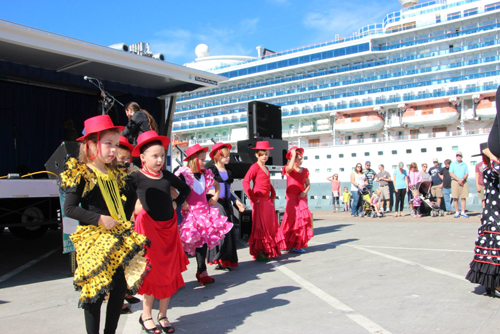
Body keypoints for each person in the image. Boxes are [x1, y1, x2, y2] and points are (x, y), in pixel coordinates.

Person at [60, 115, 148, 334]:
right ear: (90, 144)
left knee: (119, 290)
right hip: (93, 241)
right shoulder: (81, 172)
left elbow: (124, 208)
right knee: (95, 294)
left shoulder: (116, 174)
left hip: (117, 238)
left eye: (116, 145)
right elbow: (69, 209)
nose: (113, 150)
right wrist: (100, 219)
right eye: (108, 144)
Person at [130, 130, 192, 334]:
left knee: (168, 273)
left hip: (169, 231)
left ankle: (163, 315)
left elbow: (185, 189)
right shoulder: (135, 177)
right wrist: (134, 209)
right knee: (151, 274)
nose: (159, 160)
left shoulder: (166, 175)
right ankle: (145, 315)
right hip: (148, 232)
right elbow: (122, 201)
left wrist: (176, 202)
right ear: (142, 158)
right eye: (154, 156)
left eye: (161, 156)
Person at [175, 144, 232, 284]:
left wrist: (215, 198)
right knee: (188, 243)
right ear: (193, 160)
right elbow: (172, 188)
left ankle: (202, 271)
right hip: (191, 213)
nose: (204, 162)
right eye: (201, 159)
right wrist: (182, 202)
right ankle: (182, 273)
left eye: (204, 159)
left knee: (203, 243)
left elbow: (217, 185)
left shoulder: (205, 173)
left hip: (205, 212)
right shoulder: (183, 173)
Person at [466, 88, 500, 297]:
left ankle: (491, 284)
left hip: (493, 214)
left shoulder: (489, 169)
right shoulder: (490, 170)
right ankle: (494, 284)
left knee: (493, 250)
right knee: (495, 250)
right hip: (496, 215)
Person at [242, 141, 286, 261]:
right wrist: (252, 197)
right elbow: (245, 182)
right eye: (262, 154)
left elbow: (267, 181)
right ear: (257, 155)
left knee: (270, 226)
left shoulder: (266, 167)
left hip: (267, 201)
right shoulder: (254, 167)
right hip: (259, 201)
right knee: (260, 227)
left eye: (266, 154)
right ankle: (260, 251)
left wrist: (272, 192)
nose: (265, 156)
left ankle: (268, 249)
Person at [206, 142, 246, 270]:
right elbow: (206, 187)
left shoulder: (228, 172)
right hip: (216, 203)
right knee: (220, 231)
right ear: (217, 156)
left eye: (228, 156)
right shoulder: (211, 170)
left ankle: (226, 259)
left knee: (229, 232)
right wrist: (210, 194)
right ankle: (218, 258)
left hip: (227, 202)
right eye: (225, 156)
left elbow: (229, 189)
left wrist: (236, 201)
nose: (228, 158)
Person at [279, 147, 313, 253]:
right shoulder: (288, 169)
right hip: (291, 197)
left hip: (301, 197)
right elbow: (289, 169)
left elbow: (308, 184)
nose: (301, 161)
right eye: (299, 158)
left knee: (301, 220)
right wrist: (293, 155)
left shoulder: (305, 171)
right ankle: (285, 242)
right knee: (290, 220)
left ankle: (297, 244)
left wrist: (305, 192)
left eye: (302, 158)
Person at [450, 151, 469, 218]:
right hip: (455, 181)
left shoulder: (464, 164)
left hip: (463, 181)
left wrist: (462, 179)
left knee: (463, 197)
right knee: (455, 197)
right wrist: (458, 179)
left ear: (461, 156)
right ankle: (457, 212)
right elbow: (451, 173)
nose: (458, 157)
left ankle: (463, 212)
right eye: (457, 155)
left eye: (459, 155)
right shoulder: (453, 164)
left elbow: (467, 173)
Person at [473, 143, 489, 209]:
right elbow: (477, 175)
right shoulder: (478, 165)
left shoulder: (490, 164)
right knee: (483, 199)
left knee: (489, 198)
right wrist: (477, 185)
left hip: (488, 184)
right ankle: (484, 211)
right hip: (481, 184)